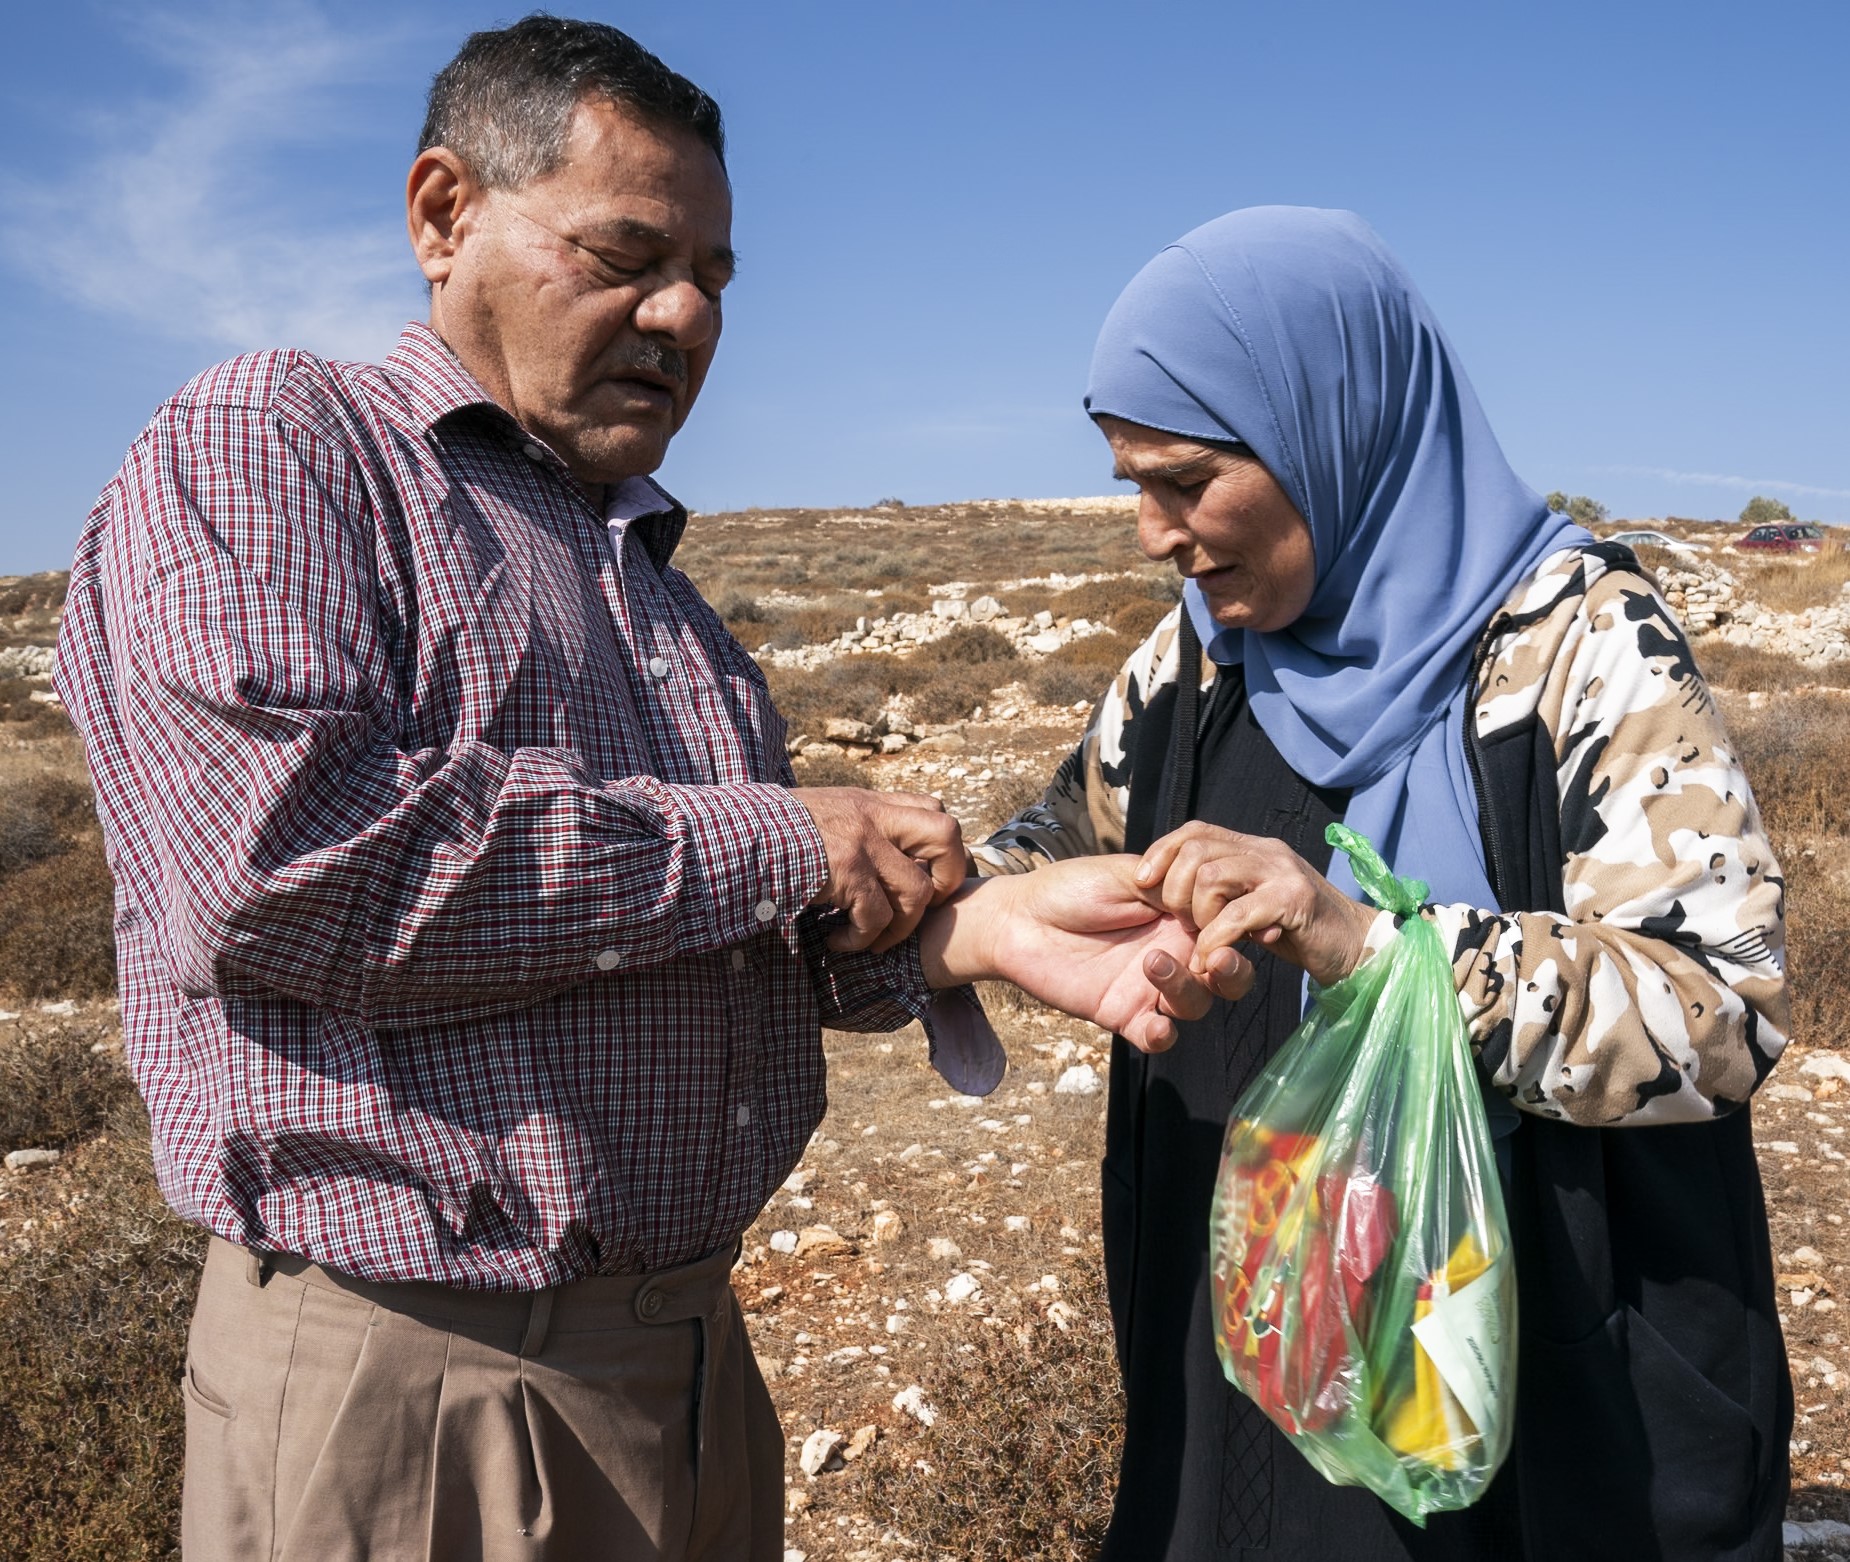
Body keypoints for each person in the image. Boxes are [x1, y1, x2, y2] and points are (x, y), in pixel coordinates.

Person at [51, 17, 1210, 1561]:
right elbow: (279, 864)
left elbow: (709, 929)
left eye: (714, 278)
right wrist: (782, 838)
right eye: (625, 255)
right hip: (413, 1386)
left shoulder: (662, 600)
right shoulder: (279, 445)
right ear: (444, 213)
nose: (682, 315)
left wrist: (976, 931)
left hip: (689, 1374)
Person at [975, 206, 1793, 1561]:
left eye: (1187, 481)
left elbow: (1721, 1010)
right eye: (1131, 483)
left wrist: (1379, 949)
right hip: (1265, 1340)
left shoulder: (1579, 646)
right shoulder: (1196, 657)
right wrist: (955, 897)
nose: (1152, 533)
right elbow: (1059, 838)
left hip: (1519, 1364)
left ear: (1329, 429)